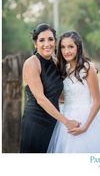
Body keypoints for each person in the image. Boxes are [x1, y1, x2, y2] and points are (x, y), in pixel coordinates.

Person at [47, 31, 100, 153]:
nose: (66, 51)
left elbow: (97, 102)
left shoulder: (88, 68)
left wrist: (85, 127)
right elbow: (66, 97)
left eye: (71, 46)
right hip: (67, 119)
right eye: (63, 47)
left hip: (86, 119)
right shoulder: (65, 70)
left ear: (78, 47)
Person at [20, 23, 78, 153]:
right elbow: (41, 99)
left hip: (54, 122)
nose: (47, 44)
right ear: (35, 44)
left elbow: (60, 94)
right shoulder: (31, 63)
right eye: (42, 40)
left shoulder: (56, 62)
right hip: (36, 123)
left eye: (50, 39)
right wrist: (66, 121)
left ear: (55, 42)